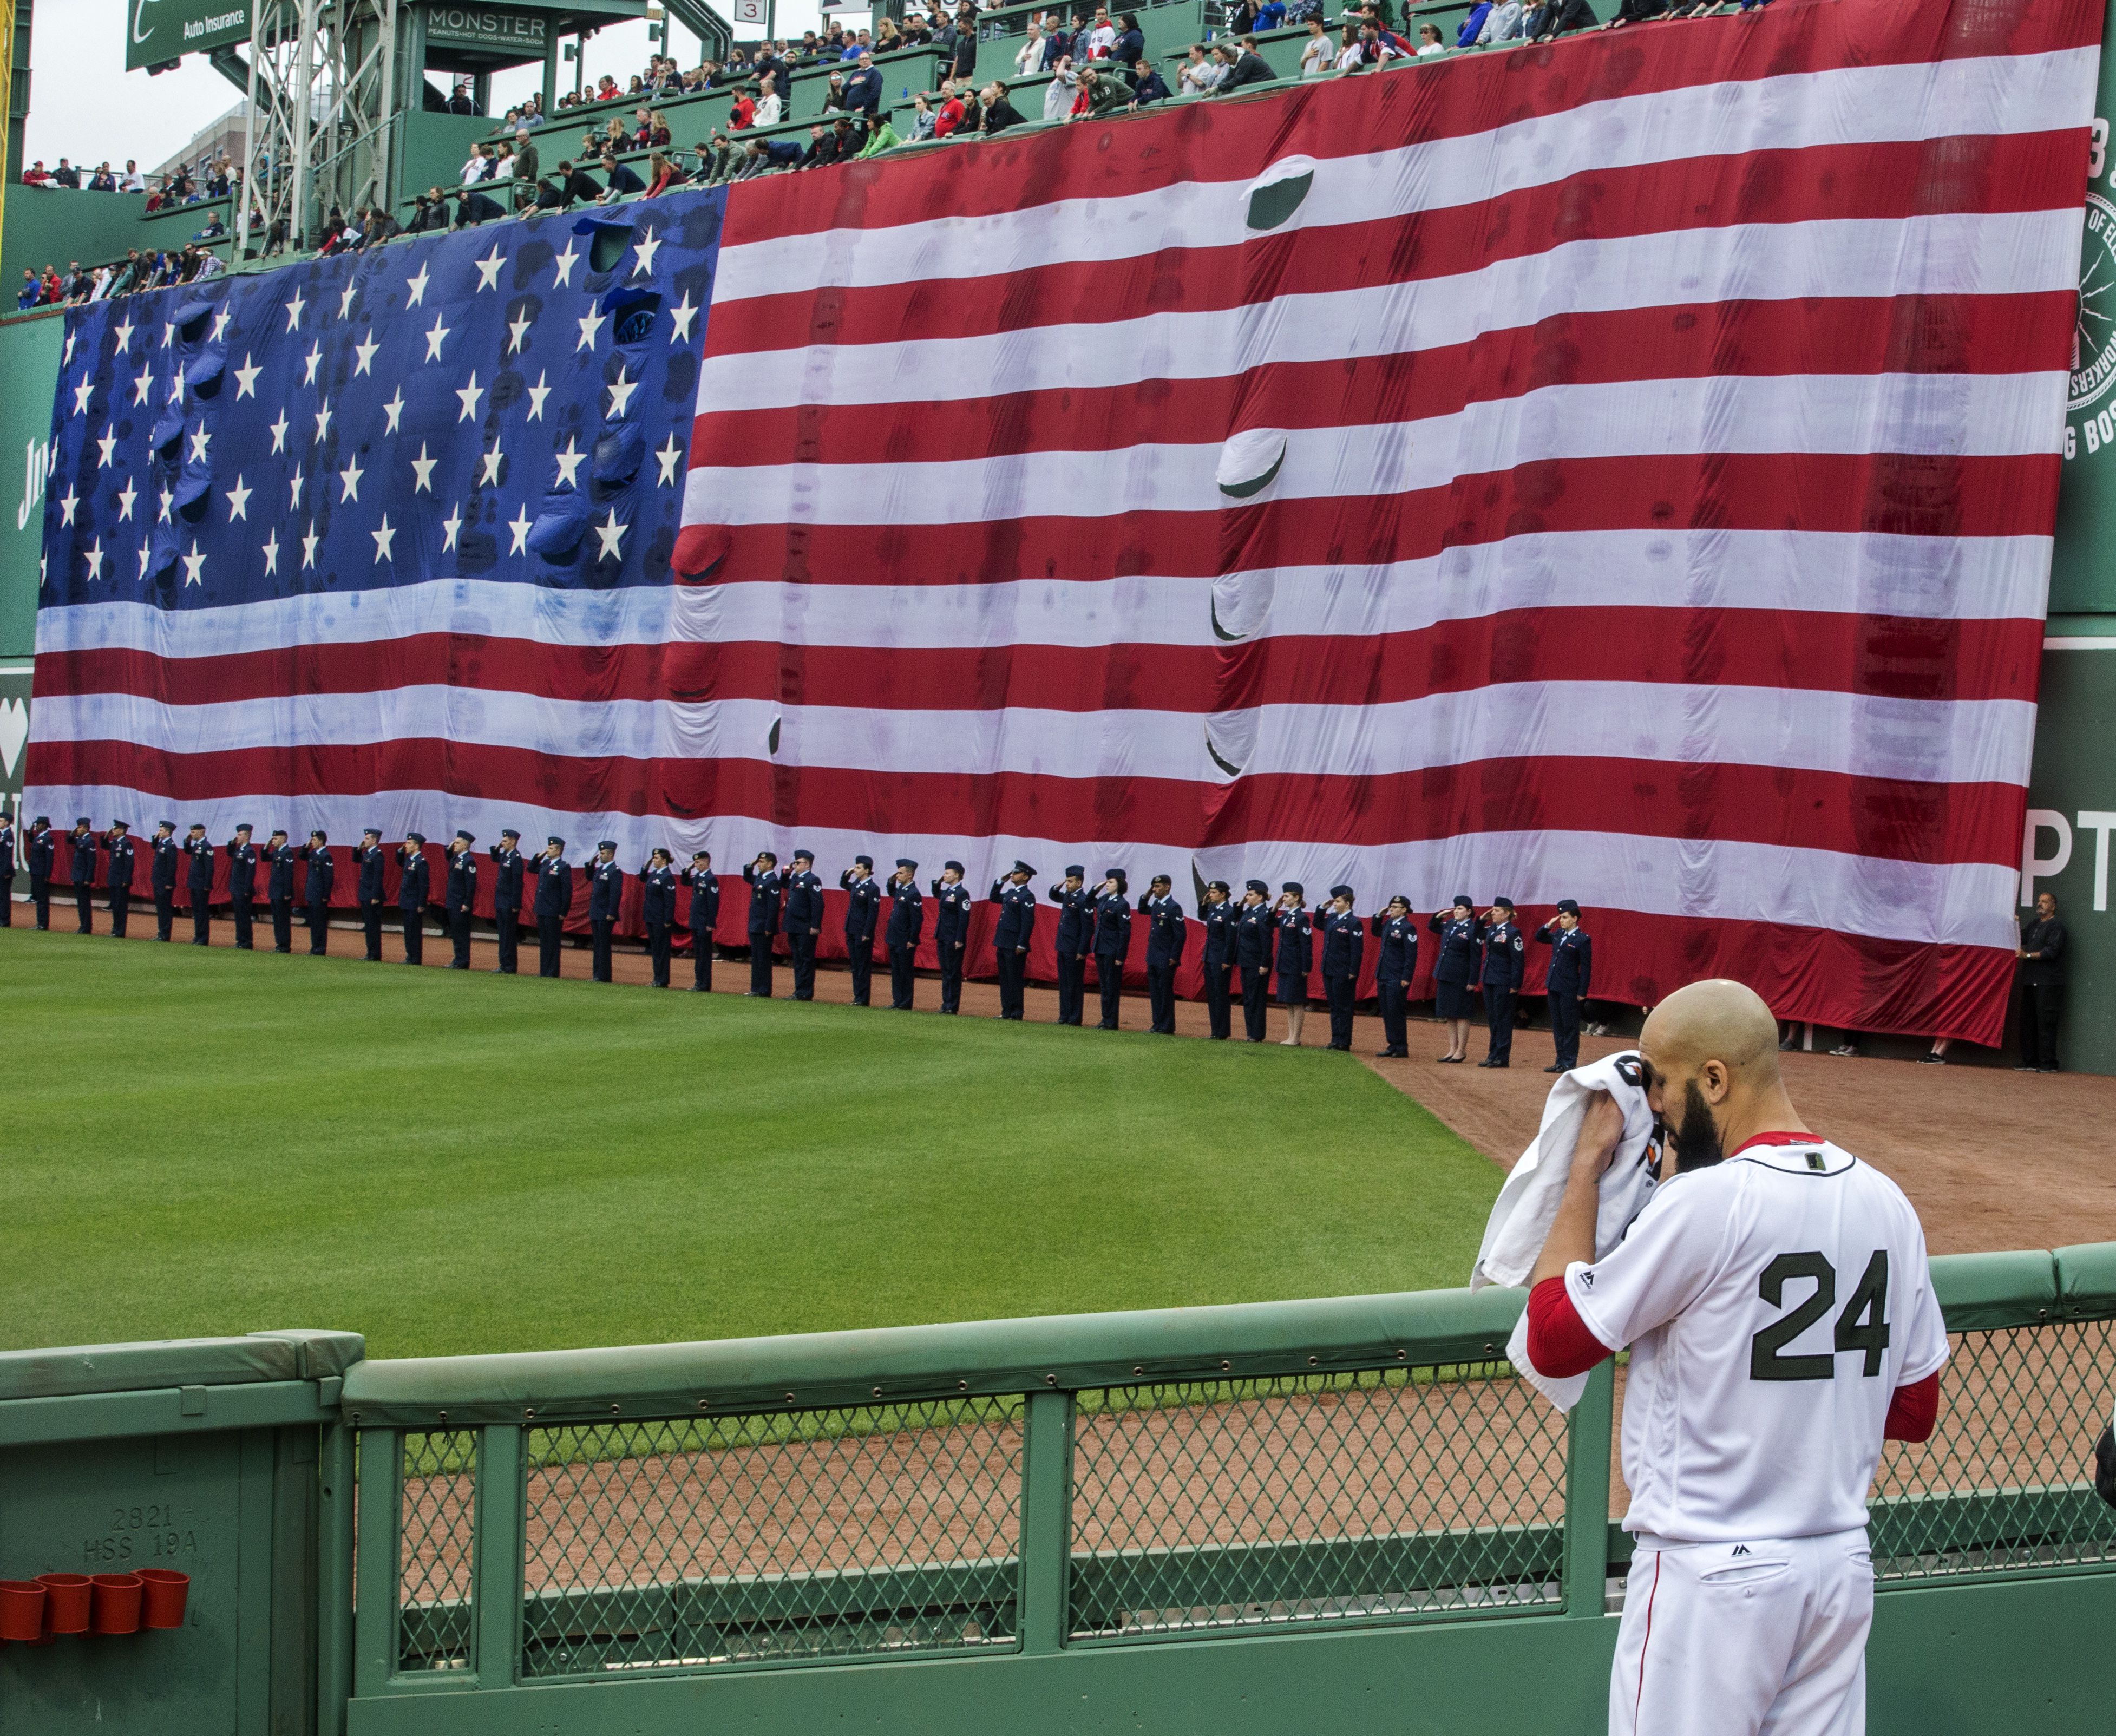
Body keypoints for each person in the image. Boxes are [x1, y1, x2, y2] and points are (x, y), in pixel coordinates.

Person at [1519, 979, 1945, 1736]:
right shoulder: (1887, 1201)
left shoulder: (1708, 1205)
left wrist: (1585, 1165)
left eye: (1657, 1080)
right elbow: (1913, 1413)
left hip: (1710, 1578)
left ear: (1714, 1078)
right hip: (1836, 1570)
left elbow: (1555, 1339)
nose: (1649, 1102)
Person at [1536, 899, 1593, 1073]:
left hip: (1570, 987)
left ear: (1575, 919)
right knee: (1558, 1025)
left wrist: (1582, 991)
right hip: (1554, 984)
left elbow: (1586, 967)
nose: (1561, 920)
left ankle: (1569, 1061)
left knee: (1569, 1025)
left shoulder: (1582, 940)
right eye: (1560, 917)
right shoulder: (1559, 935)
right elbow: (1539, 937)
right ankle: (1560, 1060)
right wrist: (1548, 925)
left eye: (1565, 917)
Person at [2015, 890, 2067, 1073]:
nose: (2040, 904)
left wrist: (2027, 955)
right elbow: (2019, 937)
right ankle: (2030, 1061)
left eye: (2045, 902)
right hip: (2030, 981)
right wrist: (2013, 924)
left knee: (2046, 1023)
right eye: (2039, 901)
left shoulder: (2057, 927)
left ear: (2053, 907)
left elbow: (2051, 952)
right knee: (2027, 1022)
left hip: (2049, 983)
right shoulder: (2034, 925)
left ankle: (2048, 1064)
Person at [1429, 895, 1480, 1062]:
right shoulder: (1450, 925)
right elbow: (1433, 927)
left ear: (1469, 912)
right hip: (1445, 973)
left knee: (1462, 1014)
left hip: (1461, 976)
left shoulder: (1473, 929)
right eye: (1455, 908)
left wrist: (1472, 980)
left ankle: (1461, 1050)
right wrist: (1439, 915)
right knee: (1448, 1014)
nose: (1456, 911)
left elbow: (1475, 957)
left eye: (1460, 909)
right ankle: (1452, 1049)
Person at [1477, 896, 1525, 1067]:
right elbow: (1477, 932)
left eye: (1497, 911)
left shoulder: (1513, 933)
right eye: (1493, 910)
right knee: (1493, 1019)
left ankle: (1502, 1057)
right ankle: (1493, 1054)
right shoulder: (1492, 929)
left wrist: (1515, 984)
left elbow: (1518, 961)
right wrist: (1482, 919)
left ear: (1507, 914)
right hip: (1490, 979)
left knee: (1504, 1019)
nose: (1493, 913)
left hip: (1504, 981)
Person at [990, 860, 1038, 1018]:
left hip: (1015, 943)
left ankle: (1016, 1012)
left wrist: (1022, 943)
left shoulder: (1027, 896)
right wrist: (1001, 881)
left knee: (1015, 979)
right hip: (1003, 940)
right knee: (1004, 978)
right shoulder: (1011, 893)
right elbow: (994, 897)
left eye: (1016, 873)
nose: (1013, 875)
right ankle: (1006, 1011)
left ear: (1025, 876)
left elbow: (1027, 922)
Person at [1370, 896, 1418, 1057]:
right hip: (1384, 973)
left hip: (1397, 976)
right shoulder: (1389, 924)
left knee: (1396, 1011)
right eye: (1391, 906)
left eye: (1396, 907)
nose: (1392, 909)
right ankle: (1392, 1044)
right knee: (1387, 1011)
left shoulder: (1408, 927)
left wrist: (1406, 977)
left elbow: (1411, 955)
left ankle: (1401, 1047)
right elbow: (1375, 932)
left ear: (1404, 909)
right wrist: (1378, 916)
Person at [1048, 866, 1095, 1025]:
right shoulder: (1068, 896)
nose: (1067, 884)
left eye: (1070, 881)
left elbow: (1088, 928)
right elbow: (1053, 895)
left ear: (1079, 882)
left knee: (1074, 984)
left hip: (1074, 948)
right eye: (1067, 881)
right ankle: (1064, 1016)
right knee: (1064, 983)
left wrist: (1082, 950)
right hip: (1063, 945)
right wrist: (1058, 885)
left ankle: (1074, 1018)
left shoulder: (1084, 900)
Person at [1319, 885, 1363, 1051]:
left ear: (1347, 903)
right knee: (1334, 1006)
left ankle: (1344, 1041)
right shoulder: (1332, 919)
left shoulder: (1354, 923)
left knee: (1344, 1006)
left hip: (1343, 970)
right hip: (1329, 968)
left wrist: (1353, 971)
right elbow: (1318, 923)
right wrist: (1322, 908)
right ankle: (1335, 1039)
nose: (1334, 904)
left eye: (1337, 901)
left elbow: (1357, 950)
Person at [1140, 873, 1185, 1034]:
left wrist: (1174, 956)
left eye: (1158, 887)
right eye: (1154, 886)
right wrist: (1147, 895)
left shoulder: (1173, 907)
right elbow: (1142, 909)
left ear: (1167, 887)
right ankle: (1157, 1024)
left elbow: (1180, 935)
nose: (1155, 889)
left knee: (1165, 992)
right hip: (1153, 955)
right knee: (1155, 992)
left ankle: (1166, 1026)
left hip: (1166, 957)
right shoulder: (1157, 905)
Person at [1233, 880, 1273, 1041]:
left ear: (1260, 897)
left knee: (1256, 999)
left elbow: (1267, 942)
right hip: (1246, 961)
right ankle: (1251, 1032)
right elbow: (1235, 917)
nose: (1247, 897)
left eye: (1250, 894)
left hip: (1257, 963)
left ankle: (1257, 1034)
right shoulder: (1248, 912)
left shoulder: (1264, 915)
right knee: (1248, 998)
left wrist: (1264, 963)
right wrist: (1241, 903)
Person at [1092, 869, 1132, 1030]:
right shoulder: (1104, 899)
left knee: (1111, 987)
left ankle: (1111, 1020)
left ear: (1119, 885)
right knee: (1104, 986)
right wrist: (1097, 887)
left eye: (1111, 883)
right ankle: (1105, 1018)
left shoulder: (1122, 904)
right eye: (1107, 882)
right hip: (1100, 947)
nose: (1107, 885)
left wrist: (1120, 955)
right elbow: (1089, 900)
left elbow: (1125, 932)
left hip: (1112, 949)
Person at [1274, 882, 1312, 1046]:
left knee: (1296, 1001)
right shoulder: (1285, 916)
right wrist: (1275, 907)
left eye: (1287, 896)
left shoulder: (1302, 918)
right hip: (1285, 963)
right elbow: (1268, 921)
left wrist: (1306, 967)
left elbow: (1306, 944)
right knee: (1289, 1002)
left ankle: (1296, 1037)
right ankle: (1291, 1035)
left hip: (1296, 965)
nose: (1284, 899)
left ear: (1297, 898)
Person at [841, 855, 883, 1004]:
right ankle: (857, 996)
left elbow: (873, 913)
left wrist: (867, 932)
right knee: (855, 964)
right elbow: (843, 884)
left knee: (862, 965)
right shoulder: (857, 885)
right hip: (851, 929)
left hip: (862, 932)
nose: (856, 870)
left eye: (858, 868)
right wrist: (848, 873)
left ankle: (863, 998)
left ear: (867, 871)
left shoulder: (872, 888)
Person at [784, 849, 826, 999]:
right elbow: (783, 884)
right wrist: (786, 873)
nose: (795, 865)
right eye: (795, 862)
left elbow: (817, 904)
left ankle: (805, 992)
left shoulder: (812, 880)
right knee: (797, 959)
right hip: (793, 924)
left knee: (806, 959)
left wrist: (815, 925)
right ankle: (798, 990)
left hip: (805, 925)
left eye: (798, 863)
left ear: (807, 865)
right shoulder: (795, 878)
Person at [932, 861, 972, 1012]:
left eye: (948, 873)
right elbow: (936, 893)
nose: (945, 875)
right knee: (946, 971)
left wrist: (960, 939)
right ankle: (946, 1004)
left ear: (957, 875)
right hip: (943, 936)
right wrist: (938, 882)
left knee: (953, 973)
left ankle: (952, 1006)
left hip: (953, 938)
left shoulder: (962, 894)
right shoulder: (947, 892)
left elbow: (964, 918)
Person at [743, 850, 785, 994]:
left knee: (763, 959)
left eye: (761, 862)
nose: (759, 865)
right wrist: (752, 864)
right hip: (755, 924)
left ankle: (764, 989)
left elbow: (773, 907)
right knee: (756, 959)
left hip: (763, 926)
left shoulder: (772, 881)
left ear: (770, 864)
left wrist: (769, 926)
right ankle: (756, 988)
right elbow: (747, 876)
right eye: (759, 862)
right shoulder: (760, 878)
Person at [1200, 880, 1235, 1039]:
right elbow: (1202, 916)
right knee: (1212, 994)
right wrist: (1203, 904)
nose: (1210, 895)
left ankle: (1222, 1031)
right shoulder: (1213, 909)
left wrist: (1227, 959)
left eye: (1213, 893)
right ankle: (1215, 1030)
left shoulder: (1229, 912)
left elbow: (1230, 938)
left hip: (1220, 959)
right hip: (1210, 957)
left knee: (1221, 995)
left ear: (1223, 894)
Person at [886, 859, 923, 1008]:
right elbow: (891, 893)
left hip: (905, 938)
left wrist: (913, 939)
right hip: (894, 936)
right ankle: (897, 1000)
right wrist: (891, 882)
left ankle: (906, 1002)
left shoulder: (913, 893)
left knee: (905, 971)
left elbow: (917, 919)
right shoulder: (902, 890)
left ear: (910, 875)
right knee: (896, 970)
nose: (898, 875)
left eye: (900, 873)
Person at [488, 830, 525, 973]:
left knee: (509, 935)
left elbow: (517, 883)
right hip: (501, 900)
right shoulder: (505, 856)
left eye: (505, 841)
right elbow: (495, 858)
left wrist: (516, 904)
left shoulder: (516, 859)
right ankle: (503, 964)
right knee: (503, 934)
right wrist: (496, 848)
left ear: (513, 842)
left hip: (509, 902)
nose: (502, 843)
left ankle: (509, 966)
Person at [584, 841, 623, 980]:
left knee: (604, 945)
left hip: (605, 913)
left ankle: (604, 975)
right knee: (598, 944)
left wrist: (612, 912)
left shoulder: (615, 871)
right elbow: (590, 878)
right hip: (596, 911)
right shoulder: (601, 869)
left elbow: (615, 894)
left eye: (603, 853)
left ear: (611, 854)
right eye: (600, 853)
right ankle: (597, 974)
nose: (600, 856)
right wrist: (590, 865)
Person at [535, 838, 573, 977]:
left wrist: (564, 910)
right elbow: (531, 868)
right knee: (544, 942)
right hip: (542, 908)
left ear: (558, 850)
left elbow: (567, 891)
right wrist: (539, 856)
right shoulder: (545, 863)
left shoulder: (563, 867)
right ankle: (544, 970)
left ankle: (552, 971)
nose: (547, 851)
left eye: (550, 849)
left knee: (553, 942)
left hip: (553, 910)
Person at [640, 848, 678, 986]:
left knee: (662, 950)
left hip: (660, 919)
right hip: (651, 917)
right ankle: (657, 978)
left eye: (656, 858)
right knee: (655, 949)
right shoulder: (655, 874)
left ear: (663, 860)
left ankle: (662, 979)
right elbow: (642, 878)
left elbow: (670, 901)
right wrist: (647, 865)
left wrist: (668, 919)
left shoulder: (667, 877)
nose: (654, 860)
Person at [682, 851, 719, 990]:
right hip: (696, 921)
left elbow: (713, 903)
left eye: (698, 863)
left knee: (704, 955)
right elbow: (685, 881)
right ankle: (699, 982)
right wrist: (689, 868)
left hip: (704, 923)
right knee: (698, 954)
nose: (696, 865)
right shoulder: (698, 877)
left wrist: (711, 922)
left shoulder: (710, 879)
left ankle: (704, 984)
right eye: (695, 863)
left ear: (706, 862)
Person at [443, 831, 479, 968]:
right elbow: (447, 855)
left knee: (462, 933)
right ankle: (458, 959)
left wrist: (467, 903)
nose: (454, 845)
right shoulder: (456, 859)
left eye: (457, 843)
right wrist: (451, 847)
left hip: (460, 902)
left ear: (465, 845)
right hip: (453, 901)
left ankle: (462, 961)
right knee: (456, 933)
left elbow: (471, 884)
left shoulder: (469, 861)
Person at [396, 834, 430, 965]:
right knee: (408, 931)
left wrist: (421, 904)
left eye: (409, 843)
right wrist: (401, 849)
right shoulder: (409, 860)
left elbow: (424, 885)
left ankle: (415, 958)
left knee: (414, 931)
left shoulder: (421, 862)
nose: (406, 846)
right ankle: (410, 956)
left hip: (414, 902)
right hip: (406, 900)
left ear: (416, 846)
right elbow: (399, 860)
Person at [354, 828, 387, 960]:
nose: (364, 840)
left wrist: (375, 896)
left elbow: (378, 877)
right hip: (365, 893)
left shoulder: (377, 855)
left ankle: (374, 954)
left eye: (367, 839)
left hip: (372, 895)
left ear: (374, 840)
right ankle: (370, 952)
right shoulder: (368, 853)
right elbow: (356, 859)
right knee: (368, 925)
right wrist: (358, 848)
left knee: (373, 926)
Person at [225, 823, 259, 949]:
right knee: (239, 916)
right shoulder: (239, 850)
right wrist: (231, 843)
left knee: (244, 916)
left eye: (239, 835)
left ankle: (246, 942)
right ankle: (240, 940)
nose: (237, 837)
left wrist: (246, 889)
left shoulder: (249, 852)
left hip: (243, 889)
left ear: (247, 836)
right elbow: (229, 853)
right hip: (236, 888)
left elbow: (250, 873)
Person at [300, 830, 335, 956]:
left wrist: (326, 895)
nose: (312, 842)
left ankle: (320, 949)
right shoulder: (313, 854)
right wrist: (306, 846)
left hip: (320, 895)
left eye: (314, 840)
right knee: (313, 923)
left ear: (321, 841)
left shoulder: (326, 856)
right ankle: (314, 947)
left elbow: (328, 878)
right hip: (312, 893)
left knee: (320, 923)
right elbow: (302, 856)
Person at [264, 828, 298, 952]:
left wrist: (287, 893)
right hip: (275, 891)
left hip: (282, 892)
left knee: (283, 920)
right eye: (273, 838)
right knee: (277, 920)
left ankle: (284, 945)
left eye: (276, 838)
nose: (273, 841)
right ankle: (279, 944)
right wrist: (266, 847)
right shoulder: (277, 852)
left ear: (283, 839)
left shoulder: (287, 853)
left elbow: (288, 875)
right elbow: (265, 858)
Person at [103, 820, 136, 939]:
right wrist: (106, 837)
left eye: (116, 828)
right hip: (113, 878)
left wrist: (126, 879)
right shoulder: (115, 842)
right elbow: (104, 846)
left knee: (121, 906)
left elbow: (129, 863)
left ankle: (120, 931)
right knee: (115, 906)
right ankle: (115, 929)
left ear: (122, 830)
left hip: (121, 879)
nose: (113, 830)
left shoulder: (127, 844)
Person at [149, 820, 180, 941]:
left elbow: (171, 866)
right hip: (158, 880)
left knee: (165, 909)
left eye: (161, 830)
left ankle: (165, 934)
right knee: (160, 908)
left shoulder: (170, 846)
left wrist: (169, 882)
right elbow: (153, 846)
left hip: (164, 882)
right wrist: (156, 838)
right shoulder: (161, 844)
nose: (159, 832)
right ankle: (161, 932)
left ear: (168, 832)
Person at [67, 816, 99, 935]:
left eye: (80, 827)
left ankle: (86, 927)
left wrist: (88, 878)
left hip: (83, 876)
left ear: (86, 828)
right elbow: (69, 841)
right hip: (77, 875)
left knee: (85, 903)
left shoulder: (89, 841)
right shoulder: (80, 840)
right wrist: (73, 833)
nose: (78, 830)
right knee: (80, 903)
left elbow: (92, 861)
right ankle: (83, 925)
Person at [26, 816, 55, 930]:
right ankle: (40, 922)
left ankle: (43, 924)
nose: (36, 826)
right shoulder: (38, 838)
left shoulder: (48, 839)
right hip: (36, 872)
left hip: (42, 873)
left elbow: (49, 858)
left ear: (43, 825)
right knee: (39, 898)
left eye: (38, 824)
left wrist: (47, 875)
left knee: (43, 899)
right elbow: (31, 840)